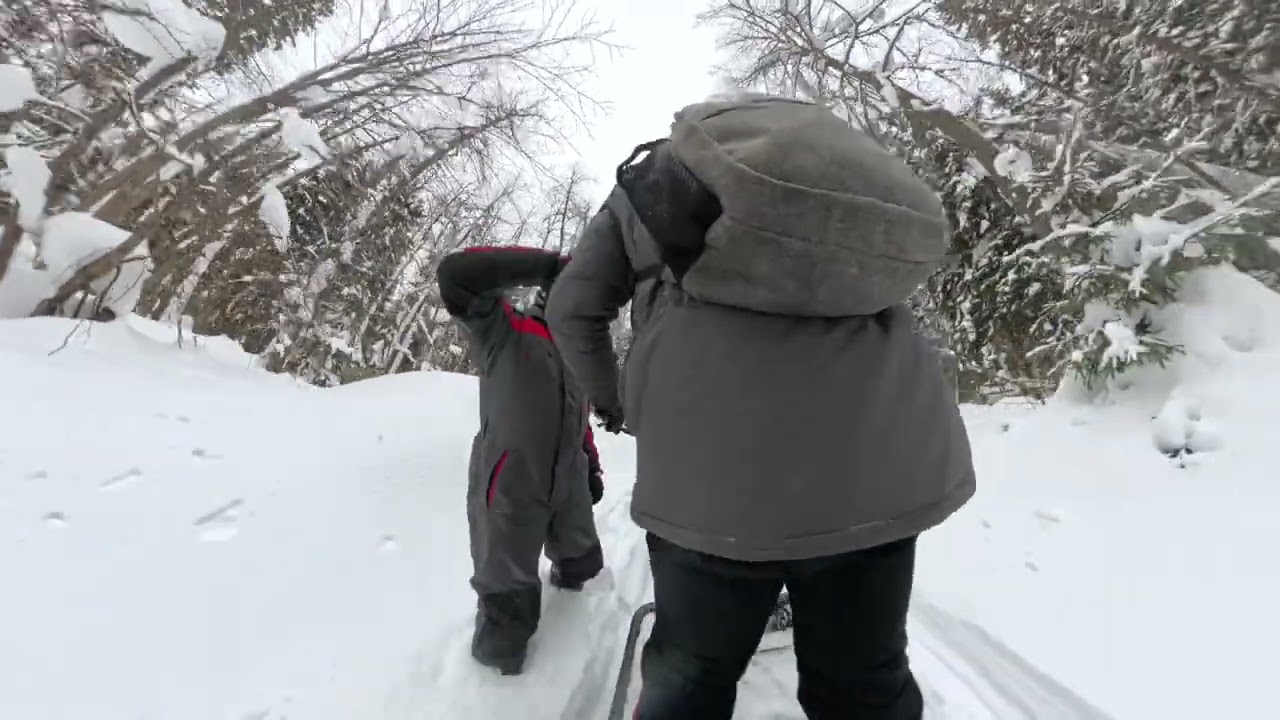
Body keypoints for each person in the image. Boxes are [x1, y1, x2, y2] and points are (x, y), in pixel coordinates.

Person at [546, 94, 976, 719]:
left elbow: (573, 310)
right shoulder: (846, 186)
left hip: (712, 476)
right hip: (875, 462)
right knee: (865, 683)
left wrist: (622, 406)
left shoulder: (653, 186)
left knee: (689, 677)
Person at [436, 245, 606, 676]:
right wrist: (550, 266)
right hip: (510, 481)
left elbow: (579, 416)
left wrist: (591, 463)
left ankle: (572, 615)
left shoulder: (576, 355)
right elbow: (457, 275)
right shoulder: (505, 327)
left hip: (567, 479)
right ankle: (493, 692)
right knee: (508, 608)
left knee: (582, 561)